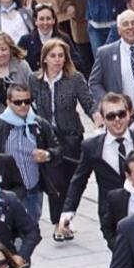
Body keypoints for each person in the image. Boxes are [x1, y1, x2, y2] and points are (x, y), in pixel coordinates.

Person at [58, 93, 134, 245]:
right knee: (121, 257)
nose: (117, 120)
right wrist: (68, 212)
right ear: (103, 119)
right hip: (112, 213)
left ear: (129, 114)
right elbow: (79, 180)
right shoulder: (92, 147)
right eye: (111, 116)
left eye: (121, 114)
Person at [29, 40, 96, 224]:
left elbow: (88, 103)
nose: (57, 60)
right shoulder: (34, 80)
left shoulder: (74, 79)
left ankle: (66, 217)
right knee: (55, 182)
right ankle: (59, 222)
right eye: (53, 56)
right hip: (48, 138)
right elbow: (28, 105)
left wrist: (97, 117)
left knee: (70, 182)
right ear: (44, 59)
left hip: (71, 137)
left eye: (61, 56)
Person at [0, 84, 61, 223]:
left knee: (31, 230)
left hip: (33, 189)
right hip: (9, 191)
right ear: (8, 102)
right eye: (18, 102)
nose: (23, 105)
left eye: (27, 101)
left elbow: (58, 150)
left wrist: (48, 154)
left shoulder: (39, 124)